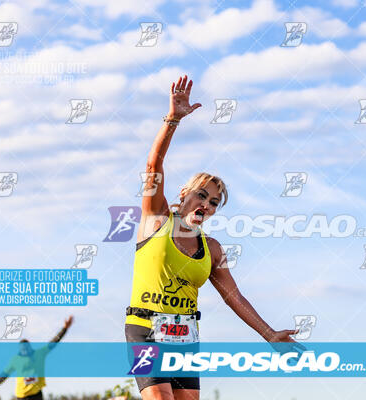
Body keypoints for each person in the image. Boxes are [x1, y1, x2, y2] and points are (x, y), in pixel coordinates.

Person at [125, 75, 300, 400]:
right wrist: (173, 120)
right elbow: (153, 165)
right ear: (184, 194)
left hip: (185, 337)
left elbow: (234, 297)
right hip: (145, 329)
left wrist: (270, 335)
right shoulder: (155, 219)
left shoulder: (213, 249)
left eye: (214, 202)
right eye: (201, 195)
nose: (206, 204)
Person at [0, 316, 74, 400]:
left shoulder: (39, 354)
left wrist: (64, 329)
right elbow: (2, 377)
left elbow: (53, 342)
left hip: (36, 395)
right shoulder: (16, 360)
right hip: (21, 396)